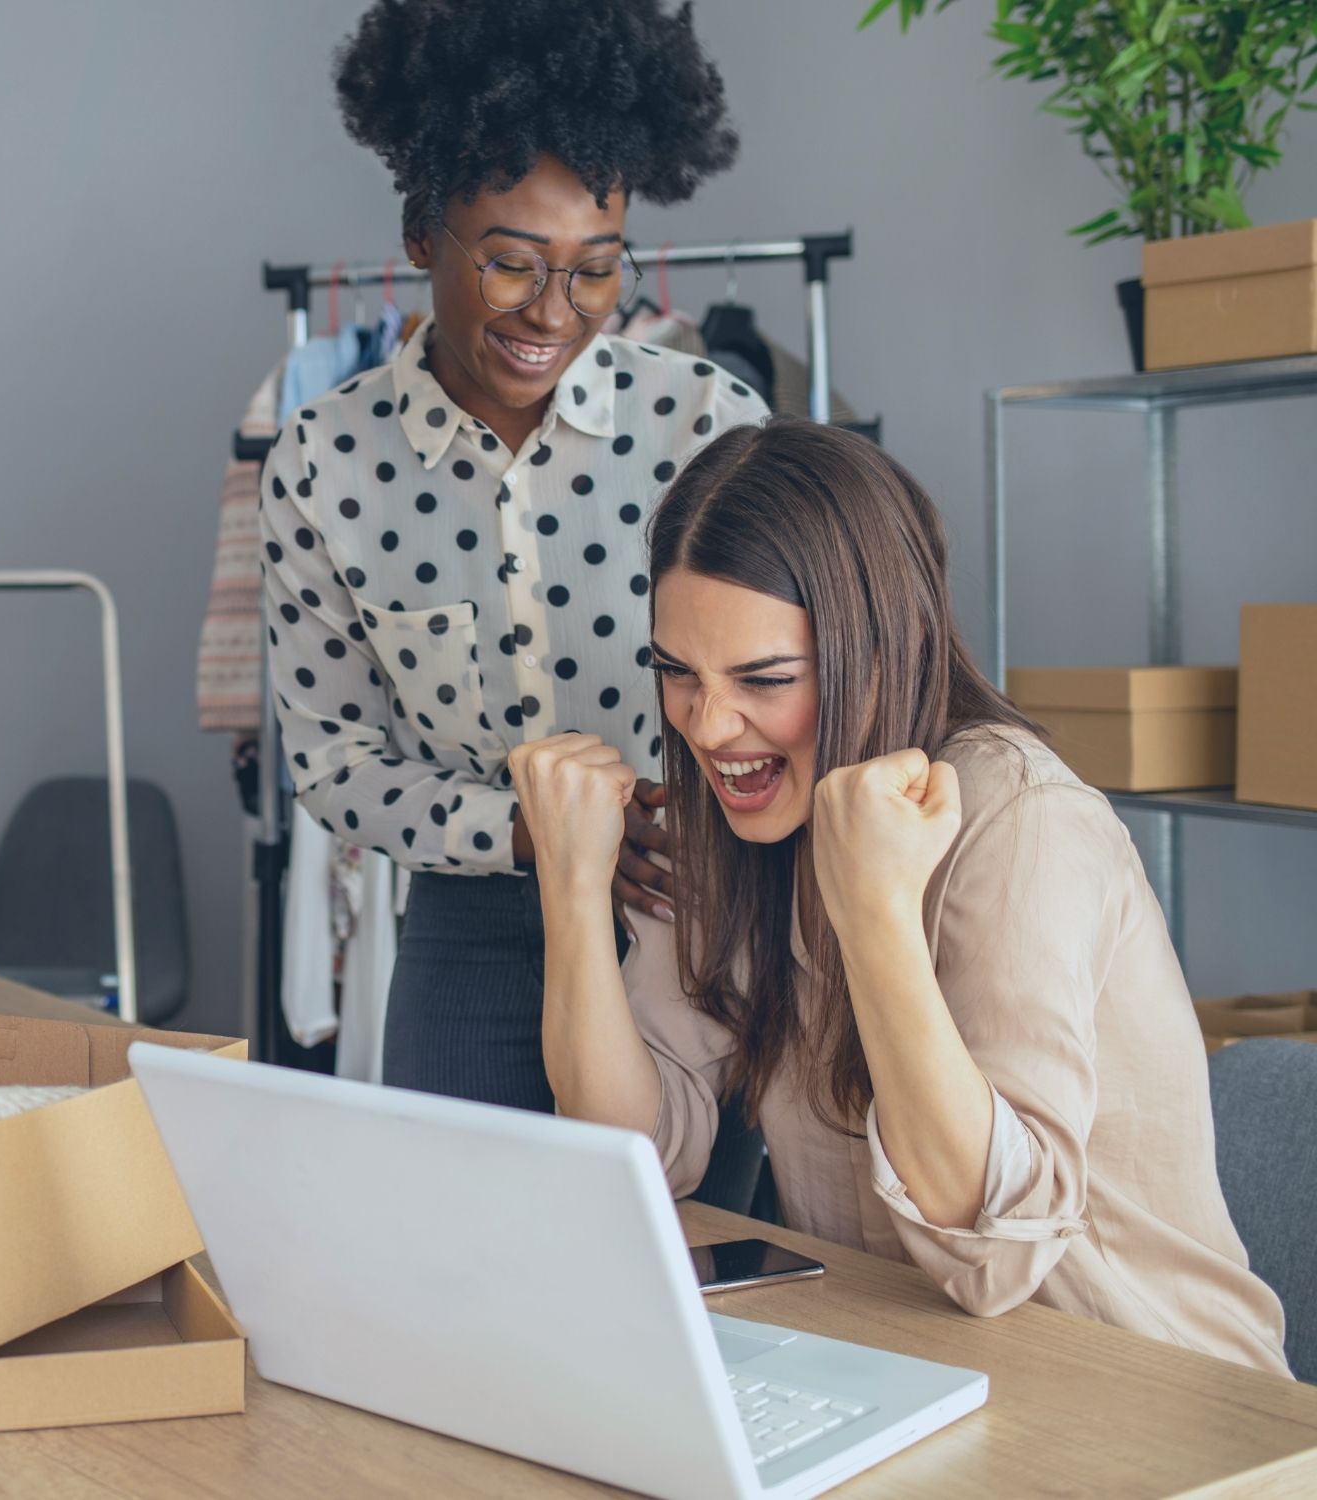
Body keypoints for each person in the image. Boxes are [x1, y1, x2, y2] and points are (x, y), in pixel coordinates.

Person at [511, 418, 1290, 1373]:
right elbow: (632, 1155)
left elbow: (995, 1250)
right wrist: (572, 889)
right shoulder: (739, 816)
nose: (710, 726)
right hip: (904, 1369)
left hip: (1148, 1393)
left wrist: (874, 912)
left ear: (890, 642)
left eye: (766, 679)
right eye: (678, 674)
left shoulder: (1020, 816)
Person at [260, 0, 767, 1111]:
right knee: (460, 1249)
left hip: (690, 908)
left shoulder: (707, 426)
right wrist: (532, 832)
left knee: (693, 1256)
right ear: (417, 237)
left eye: (595, 271)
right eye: (509, 264)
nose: (555, 311)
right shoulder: (324, 461)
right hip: (473, 922)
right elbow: (333, 759)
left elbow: (792, 682)